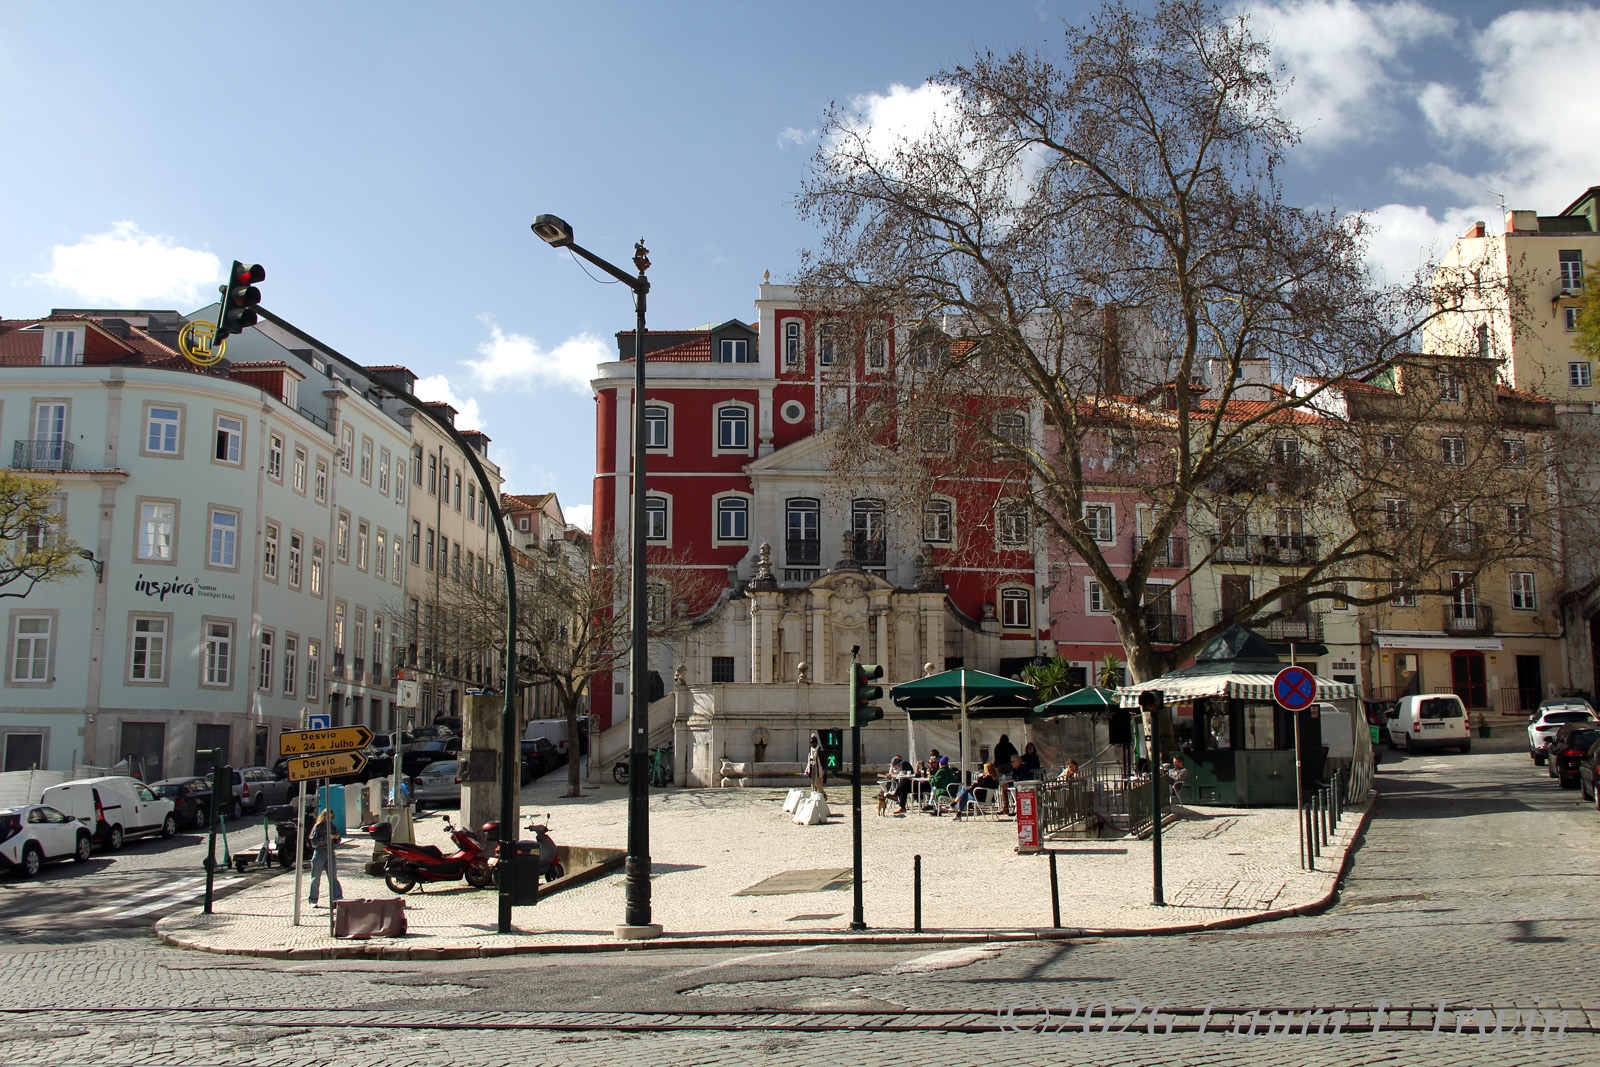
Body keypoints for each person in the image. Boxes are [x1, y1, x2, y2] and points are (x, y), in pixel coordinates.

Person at [307, 808, 343, 908]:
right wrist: (327, 839)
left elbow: (338, 839)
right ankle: (313, 900)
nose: (329, 820)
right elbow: (314, 842)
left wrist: (336, 838)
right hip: (320, 853)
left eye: (331, 818)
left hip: (330, 852)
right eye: (328, 817)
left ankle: (337, 898)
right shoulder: (318, 827)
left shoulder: (333, 827)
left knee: (333, 877)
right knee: (316, 878)